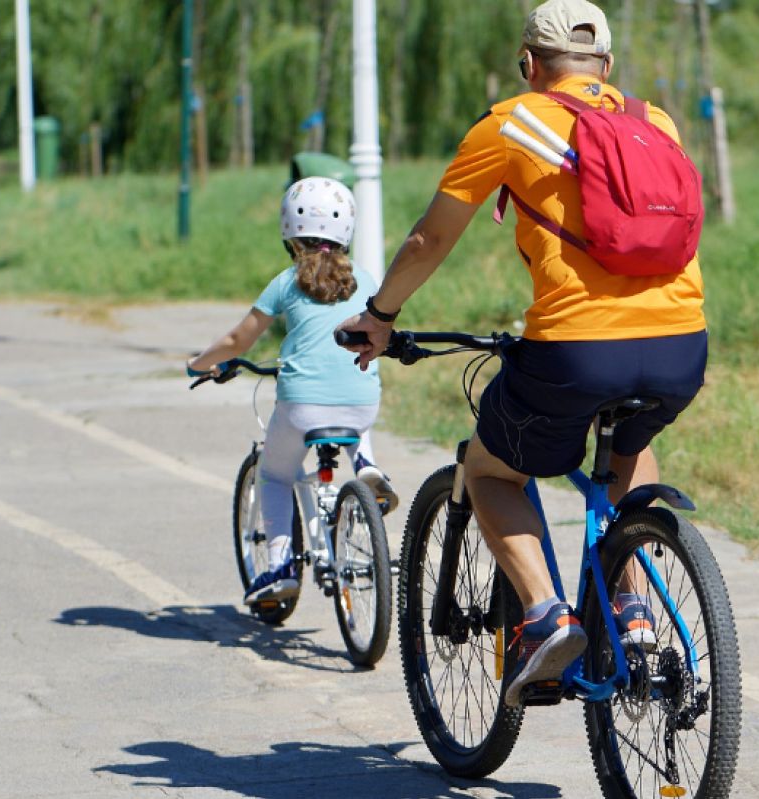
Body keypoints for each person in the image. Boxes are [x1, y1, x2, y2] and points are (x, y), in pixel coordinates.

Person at [339, 0, 707, 707]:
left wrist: (381, 315)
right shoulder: (655, 121)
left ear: (530, 66)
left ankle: (543, 617)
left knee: (490, 468)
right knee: (629, 437)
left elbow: (430, 239)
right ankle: (631, 612)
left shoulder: (512, 121)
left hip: (576, 348)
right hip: (682, 343)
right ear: (606, 66)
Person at [189, 177, 399, 606]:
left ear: (289, 230)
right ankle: (366, 465)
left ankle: (282, 566)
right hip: (362, 402)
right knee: (353, 403)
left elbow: (237, 341)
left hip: (302, 405)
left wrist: (199, 363)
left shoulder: (287, 282)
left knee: (274, 474)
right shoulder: (366, 277)